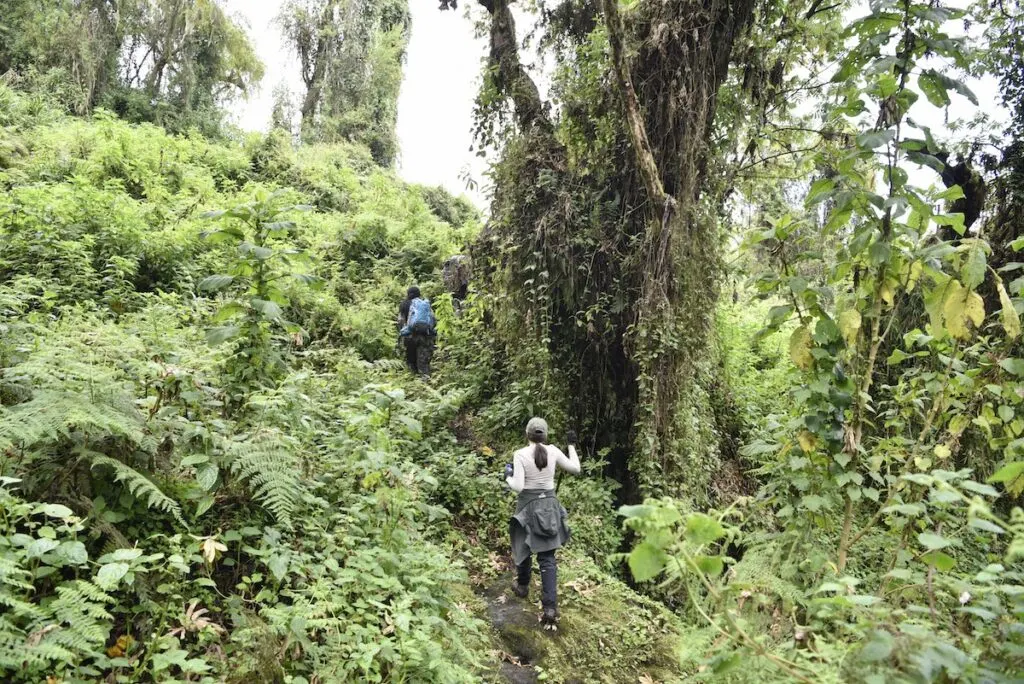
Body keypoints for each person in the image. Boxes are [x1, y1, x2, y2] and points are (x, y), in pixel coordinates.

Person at [503, 417, 581, 630]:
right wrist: (572, 446)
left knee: (523, 546)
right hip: (549, 506)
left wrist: (508, 477)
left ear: (526, 434)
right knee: (547, 557)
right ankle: (549, 608)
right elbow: (575, 468)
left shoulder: (520, 454)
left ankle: (522, 586)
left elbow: (518, 487)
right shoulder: (554, 451)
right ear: (545, 435)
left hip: (528, 506)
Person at [397, 286, 435, 376]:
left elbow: (400, 321)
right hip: (425, 336)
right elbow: (433, 319)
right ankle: (425, 383)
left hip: (409, 337)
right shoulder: (424, 304)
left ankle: (413, 383)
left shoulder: (404, 304)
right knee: (424, 364)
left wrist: (403, 332)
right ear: (419, 294)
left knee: (411, 362)